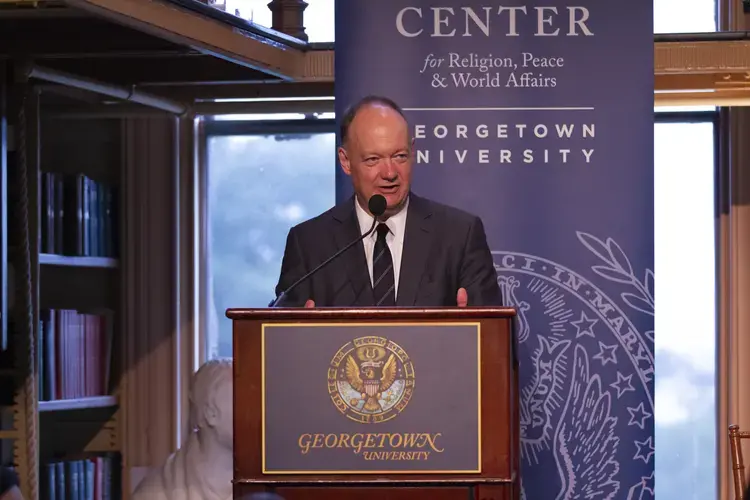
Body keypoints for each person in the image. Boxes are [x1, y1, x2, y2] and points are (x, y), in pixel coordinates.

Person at [274, 95, 502, 308]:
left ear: (412, 152)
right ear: (345, 161)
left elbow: (492, 338)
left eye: (399, 156)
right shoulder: (310, 245)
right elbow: (280, 337)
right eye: (373, 159)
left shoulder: (459, 236)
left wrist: (471, 327)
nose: (390, 173)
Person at [132, 359, 233, 500]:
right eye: (243, 403)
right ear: (211, 413)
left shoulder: (267, 487)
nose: (259, 414)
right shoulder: (155, 494)